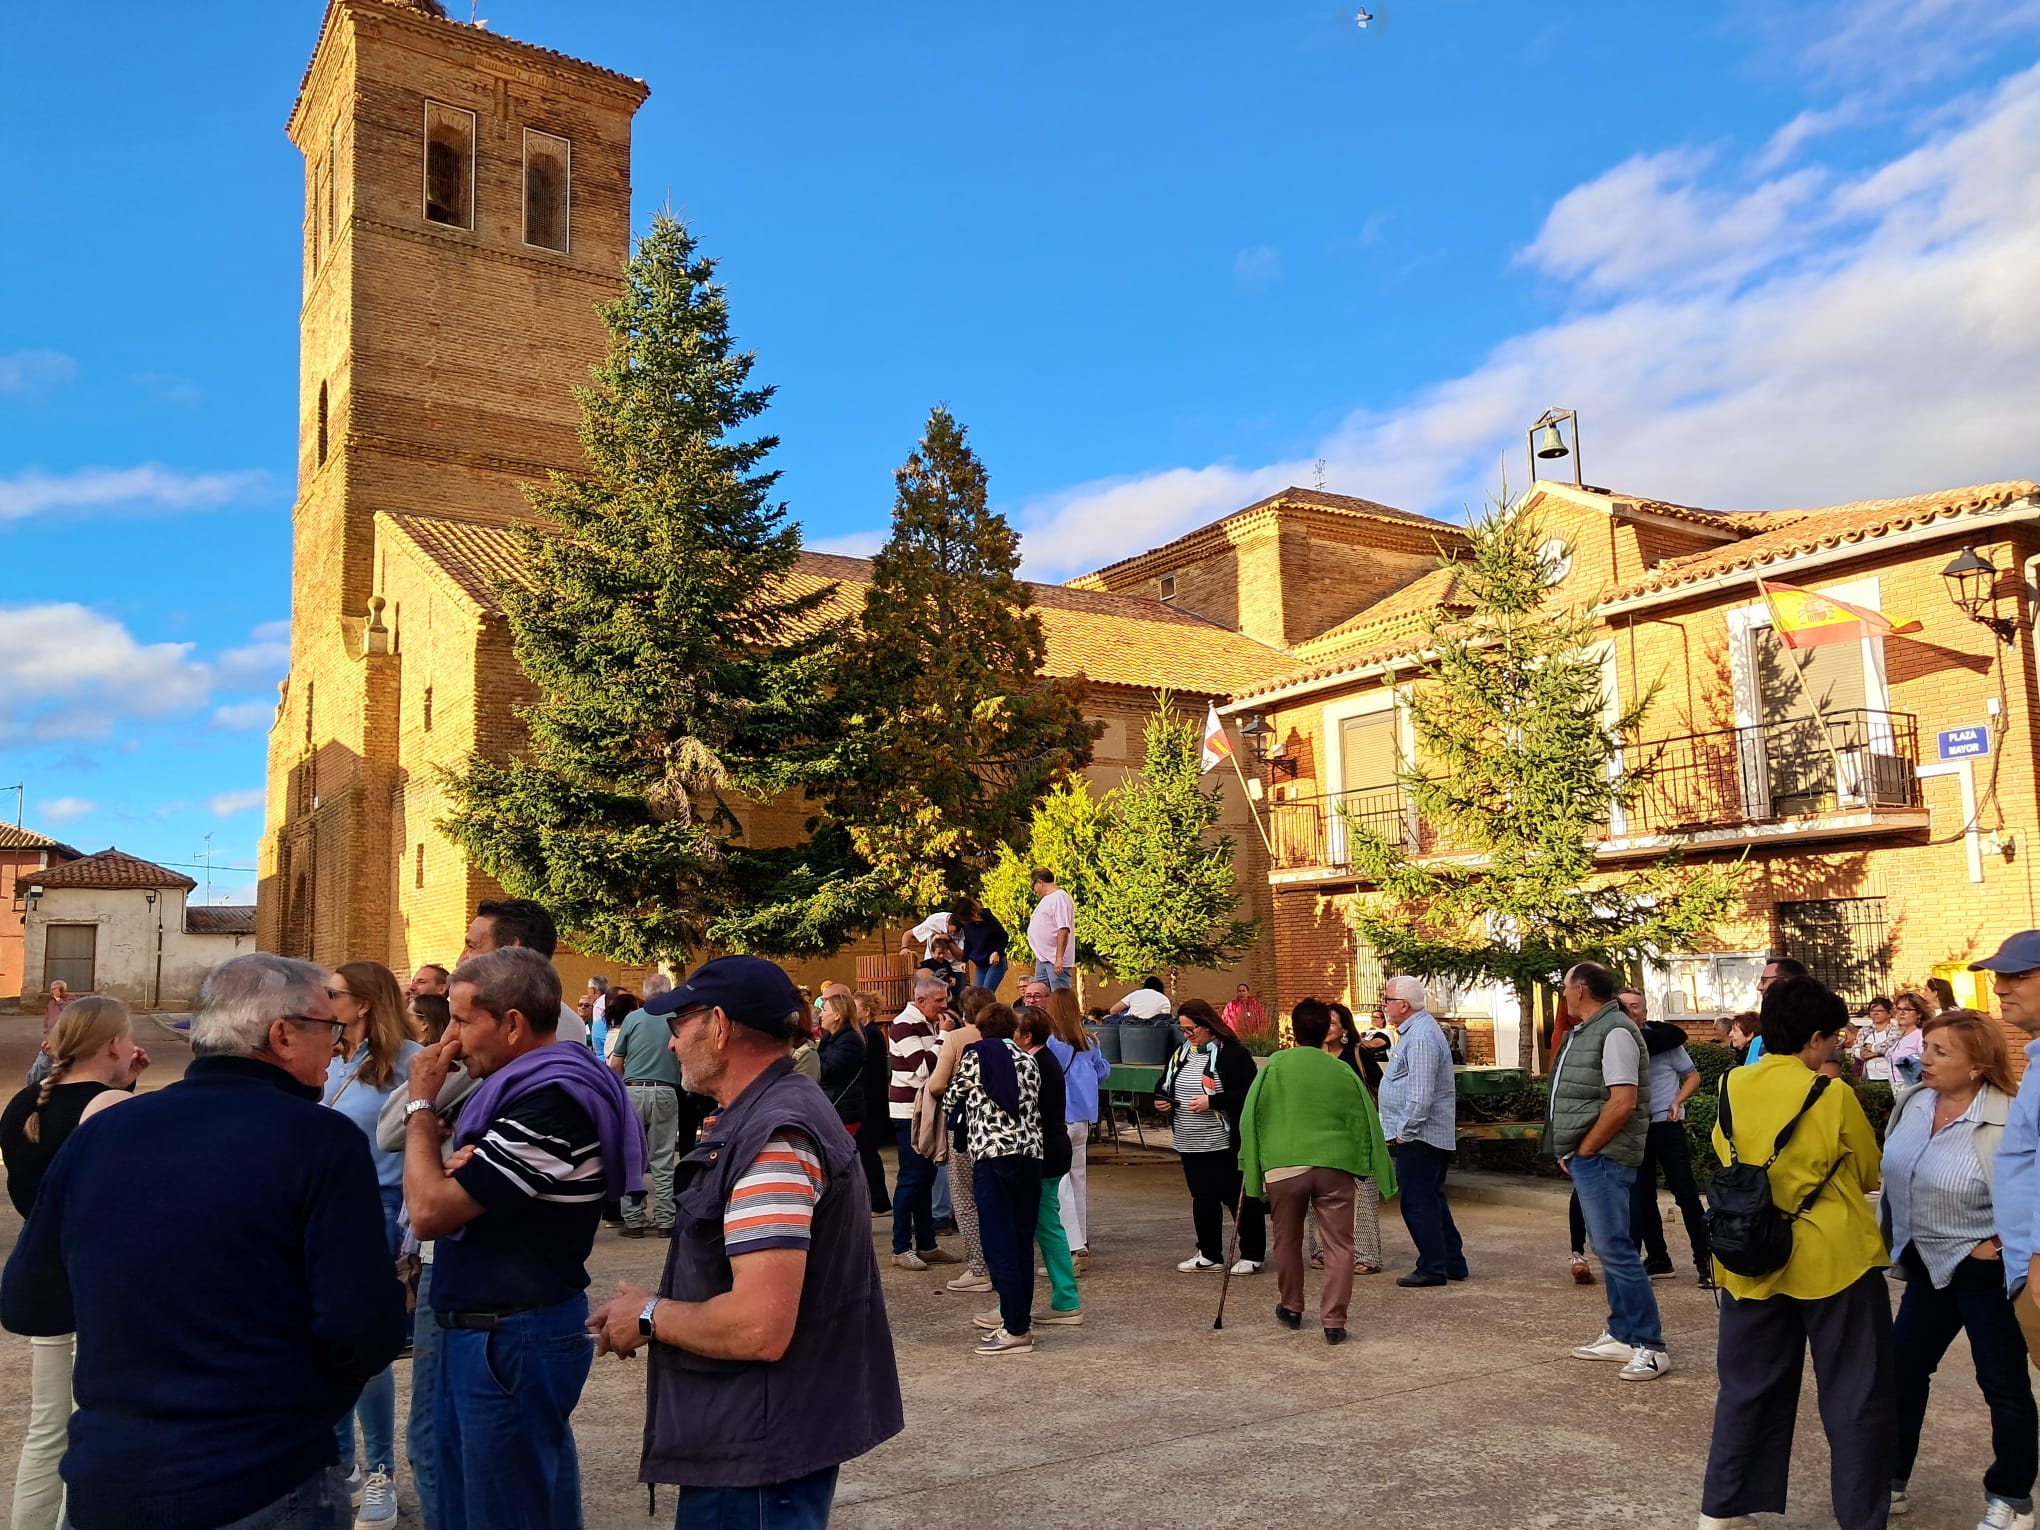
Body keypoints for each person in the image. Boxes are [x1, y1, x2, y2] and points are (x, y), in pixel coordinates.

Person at [3, 954, 408, 1530]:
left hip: (113, 1476)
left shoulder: (104, 1132)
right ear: (282, 1035)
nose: (338, 1045)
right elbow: (365, 1330)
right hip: (262, 1480)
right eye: (330, 1028)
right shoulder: (320, 1140)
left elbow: (28, 1302)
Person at [586, 957, 903, 1524]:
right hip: (760, 1434)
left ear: (720, 1027)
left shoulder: (772, 1138)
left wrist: (650, 1316)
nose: (672, 1042)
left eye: (679, 1024)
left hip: (756, 1449)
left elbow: (759, 1326)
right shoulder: (770, 1113)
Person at [401, 946, 644, 1530]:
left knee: (502, 1513)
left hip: (509, 1339)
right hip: (497, 1333)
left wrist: (420, 1104)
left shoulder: (549, 1102)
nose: (450, 1040)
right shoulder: (525, 1092)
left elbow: (429, 1211)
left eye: (462, 1021)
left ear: (511, 1024)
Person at [1697, 974, 1892, 1530]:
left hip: (1749, 1254)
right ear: (1813, 1038)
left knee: (1746, 1388)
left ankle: (1722, 1510)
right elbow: (1868, 1170)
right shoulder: (1832, 1094)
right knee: (1856, 1396)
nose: (1834, 1047)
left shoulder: (1731, 1084)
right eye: (1831, 1037)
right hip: (1834, 1259)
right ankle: (1860, 1518)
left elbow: (1725, 1152)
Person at [1880, 1008, 2033, 1528]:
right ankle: (1891, 1481)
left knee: (2002, 1384)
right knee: (1902, 1372)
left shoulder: (2010, 1115)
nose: (1924, 1059)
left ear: (1977, 1065)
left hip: (1986, 1274)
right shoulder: (1914, 1102)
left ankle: (2012, 1500)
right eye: (1926, 1047)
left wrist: (2001, 1243)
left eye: (1940, 1051)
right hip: (1925, 1264)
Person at [1, 997, 147, 1530]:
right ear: (113, 1044)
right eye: (127, 1037)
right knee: (97, 1425)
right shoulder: (110, 1107)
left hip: (46, 1274)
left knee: (46, 1429)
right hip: (98, 1285)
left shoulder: (24, 1104)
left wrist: (123, 1085)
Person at [324, 961, 422, 1525]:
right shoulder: (331, 1056)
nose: (324, 1001)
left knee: (367, 1351)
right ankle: (341, 1467)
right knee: (328, 1345)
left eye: (333, 993)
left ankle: (380, 1471)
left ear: (362, 1003)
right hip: (323, 1212)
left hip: (379, 1212)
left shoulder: (410, 1062)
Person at [1239, 998, 1396, 1344]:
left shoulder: (1274, 1065)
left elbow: (1251, 1114)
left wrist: (1249, 1161)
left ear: (1293, 1030)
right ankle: (1334, 1321)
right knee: (1340, 1243)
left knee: (1287, 1239)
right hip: (1334, 1164)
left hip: (1284, 1165)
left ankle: (1291, 1306)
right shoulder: (1340, 1069)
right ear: (1326, 1030)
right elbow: (1363, 1117)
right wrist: (1367, 1162)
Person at [1545, 962, 1666, 1380]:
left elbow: (1623, 1101)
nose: (1563, 993)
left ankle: (1649, 1344)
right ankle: (1622, 1334)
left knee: (1615, 1247)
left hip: (1604, 1156)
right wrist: (1572, 1146)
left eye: (1565, 986)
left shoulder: (1614, 1031)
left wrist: (1587, 1146)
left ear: (1580, 989)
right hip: (1592, 1155)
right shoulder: (1592, 1029)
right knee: (1609, 1245)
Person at [944, 1002, 1045, 1353]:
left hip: (993, 1155)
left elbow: (950, 1098)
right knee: (1021, 1243)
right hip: (1030, 1155)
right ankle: (1019, 1320)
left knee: (998, 1242)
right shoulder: (1028, 1059)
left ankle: (1015, 1328)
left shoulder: (977, 1056)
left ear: (980, 1028)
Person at [1153, 999, 1266, 1275]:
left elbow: (1249, 1093)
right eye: (1183, 1029)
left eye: (1190, 1029)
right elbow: (1165, 1082)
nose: (1187, 1035)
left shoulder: (1232, 1054)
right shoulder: (1182, 1053)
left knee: (1235, 1195)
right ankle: (1208, 1253)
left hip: (1223, 1140)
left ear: (1207, 1026)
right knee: (1202, 1197)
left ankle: (1252, 1253)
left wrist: (1212, 1101)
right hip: (1189, 1139)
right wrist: (1161, 1099)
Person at [1377, 975, 1468, 1289]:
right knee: (1431, 1197)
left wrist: (1406, 1130)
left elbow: (1420, 1093)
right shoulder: (1417, 1031)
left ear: (1403, 1005)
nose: (1383, 1005)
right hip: (1422, 1134)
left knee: (1418, 1201)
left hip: (1421, 1136)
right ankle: (1451, 1262)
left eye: (1387, 1000)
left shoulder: (1420, 1037)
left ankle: (1432, 1266)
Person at [1000, 1003, 1084, 1330]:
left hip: (1046, 1154)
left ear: (1026, 1036)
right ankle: (1064, 1297)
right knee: (1045, 1224)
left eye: (1013, 1031)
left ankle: (1066, 1299)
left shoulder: (1035, 1063)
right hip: (1051, 1151)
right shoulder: (1042, 1059)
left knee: (1046, 1226)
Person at [1623, 987, 1712, 1287]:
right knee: (1641, 1196)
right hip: (1636, 1128)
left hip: (1666, 1123)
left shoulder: (1666, 1041)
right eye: (1624, 1006)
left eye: (1636, 1005)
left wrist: (1677, 1100)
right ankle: (1658, 1258)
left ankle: (1706, 1261)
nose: (1631, 1011)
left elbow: (1693, 1076)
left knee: (1686, 1193)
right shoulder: (1617, 1042)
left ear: (1645, 1011)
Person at [886, 972, 962, 1271]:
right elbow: (922, 1069)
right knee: (911, 1178)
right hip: (909, 1112)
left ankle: (927, 1244)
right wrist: (944, 1037)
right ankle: (900, 1247)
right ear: (920, 1000)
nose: (945, 1006)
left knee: (926, 1178)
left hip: (928, 1109)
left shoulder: (930, 1021)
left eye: (945, 999)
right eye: (939, 1000)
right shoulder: (903, 1025)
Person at [1308, 1002, 1388, 1275]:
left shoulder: (1356, 1054)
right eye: (1323, 1022)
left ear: (1344, 1029)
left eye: (1332, 1023)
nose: (1326, 1027)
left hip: (1356, 1132)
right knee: (1317, 1191)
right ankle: (1321, 1250)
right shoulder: (1309, 1056)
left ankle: (1366, 1255)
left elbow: (1379, 1087)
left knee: (1363, 1192)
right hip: (1317, 1132)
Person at [926, 993, 993, 1295]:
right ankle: (1001, 1261)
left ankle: (979, 1267)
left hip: (966, 1128)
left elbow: (938, 1084)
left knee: (965, 1197)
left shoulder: (957, 1039)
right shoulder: (1012, 1039)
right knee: (996, 1197)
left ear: (965, 1010)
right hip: (1002, 1132)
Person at [609, 979, 682, 1241]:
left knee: (632, 1157)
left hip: (633, 1091)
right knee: (663, 1158)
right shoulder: (677, 1020)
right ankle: (666, 1220)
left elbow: (616, 1064)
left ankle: (634, 1221)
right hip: (665, 1090)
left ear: (644, 993)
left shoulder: (633, 1018)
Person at [461, 897, 588, 1045]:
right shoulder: (574, 1025)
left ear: (512, 951)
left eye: (472, 947)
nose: (461, 960)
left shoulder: (474, 1019)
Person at [1042, 991, 1110, 1266]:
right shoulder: (1089, 1041)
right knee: (1078, 1179)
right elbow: (1103, 1072)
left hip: (1059, 1117)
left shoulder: (1050, 1042)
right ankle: (1081, 1237)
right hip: (1083, 1117)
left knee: (1059, 1184)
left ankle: (1070, 1242)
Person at [852, 991, 893, 1214]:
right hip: (869, 1098)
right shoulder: (866, 1033)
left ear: (866, 1011)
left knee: (868, 1151)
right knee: (866, 1151)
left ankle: (879, 1200)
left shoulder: (871, 1034)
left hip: (871, 1100)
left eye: (856, 1007)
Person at [816, 990, 867, 1135]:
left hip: (842, 1109)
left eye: (825, 1010)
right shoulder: (830, 1038)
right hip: (833, 1106)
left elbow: (827, 1070)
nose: (821, 1015)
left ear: (837, 1015)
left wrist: (808, 1061)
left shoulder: (850, 1040)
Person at [1026, 868, 1076, 992]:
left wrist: (1059, 959)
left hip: (1054, 959)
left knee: (1059, 994)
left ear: (1040, 882)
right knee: (1040, 993)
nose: (1034, 891)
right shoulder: (1046, 899)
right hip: (1043, 958)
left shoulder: (1060, 897)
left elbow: (1063, 928)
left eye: (1033, 886)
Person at [953, 899, 1011, 996]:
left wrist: (997, 952)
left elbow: (1004, 936)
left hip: (995, 962)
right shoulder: (967, 925)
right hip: (981, 965)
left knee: (985, 995)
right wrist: (964, 960)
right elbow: (968, 942)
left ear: (972, 911)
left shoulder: (987, 917)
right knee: (978, 995)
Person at [1856, 995, 1900, 1083]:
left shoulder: (1896, 1030)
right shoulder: (1864, 1031)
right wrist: (1865, 1053)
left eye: (1880, 1011)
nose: (1875, 1013)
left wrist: (1871, 1048)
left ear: (1889, 1013)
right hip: (1869, 1077)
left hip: (1890, 1077)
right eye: (1872, 1010)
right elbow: (1856, 1049)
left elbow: (1889, 1047)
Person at [1890, 991, 1930, 1087]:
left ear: (1919, 1014)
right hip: (1896, 1089)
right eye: (1899, 1009)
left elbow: (1926, 1063)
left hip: (1913, 1088)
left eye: (1907, 1009)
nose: (1901, 1013)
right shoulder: (1898, 1035)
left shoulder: (1921, 1035)